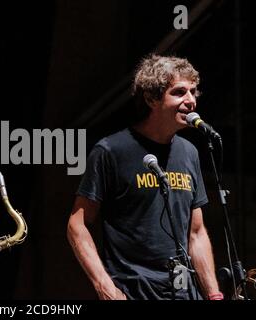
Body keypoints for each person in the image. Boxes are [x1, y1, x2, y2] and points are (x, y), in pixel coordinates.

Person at [67, 54, 223, 300]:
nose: (191, 100)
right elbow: (78, 225)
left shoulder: (189, 152)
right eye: (180, 92)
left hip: (183, 292)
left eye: (193, 91)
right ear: (151, 98)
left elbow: (196, 232)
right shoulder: (112, 150)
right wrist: (105, 287)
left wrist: (213, 294)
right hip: (133, 290)